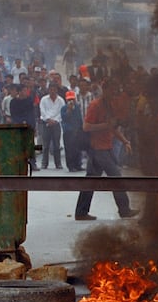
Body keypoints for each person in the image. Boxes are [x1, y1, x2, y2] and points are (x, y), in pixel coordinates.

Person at [74, 78, 139, 221]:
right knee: (116, 177)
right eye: (112, 89)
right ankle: (124, 209)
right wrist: (105, 125)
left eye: (117, 89)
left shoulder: (110, 105)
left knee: (90, 180)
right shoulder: (95, 105)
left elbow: (113, 127)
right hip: (98, 148)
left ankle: (81, 212)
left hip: (106, 146)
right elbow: (86, 127)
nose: (115, 92)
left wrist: (125, 141)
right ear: (105, 89)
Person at [10, 84, 40, 171]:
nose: (25, 92)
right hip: (18, 126)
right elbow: (14, 115)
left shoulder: (29, 100)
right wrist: (21, 122)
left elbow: (31, 114)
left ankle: (32, 163)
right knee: (18, 145)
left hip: (28, 125)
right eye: (23, 90)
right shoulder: (13, 102)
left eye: (26, 90)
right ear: (19, 92)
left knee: (30, 145)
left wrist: (32, 126)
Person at [39, 84, 65, 169]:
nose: (52, 91)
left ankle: (58, 164)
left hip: (56, 123)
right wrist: (48, 120)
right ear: (48, 90)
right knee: (46, 145)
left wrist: (55, 121)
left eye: (54, 89)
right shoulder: (44, 99)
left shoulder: (61, 100)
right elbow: (42, 111)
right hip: (46, 123)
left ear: (56, 90)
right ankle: (44, 163)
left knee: (56, 145)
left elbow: (62, 112)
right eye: (51, 90)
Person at [60, 90, 85, 171]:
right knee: (69, 149)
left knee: (78, 149)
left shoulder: (77, 107)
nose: (71, 101)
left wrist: (81, 128)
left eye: (72, 99)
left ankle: (78, 165)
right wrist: (69, 110)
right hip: (68, 132)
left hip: (77, 131)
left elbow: (79, 118)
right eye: (69, 99)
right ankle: (71, 166)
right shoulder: (63, 108)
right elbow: (64, 118)